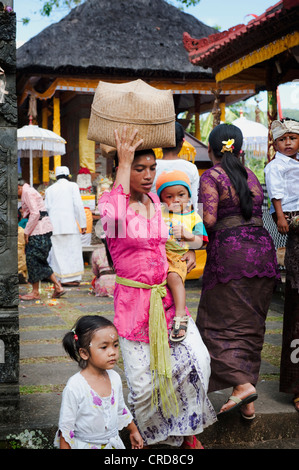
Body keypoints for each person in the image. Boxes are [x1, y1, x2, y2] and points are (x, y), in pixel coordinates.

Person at [99, 127, 216, 449]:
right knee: (142, 385)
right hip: (133, 304)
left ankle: (184, 431)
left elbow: (168, 238)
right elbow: (117, 220)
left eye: (152, 167)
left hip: (167, 301)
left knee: (197, 363)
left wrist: (188, 247)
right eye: (140, 168)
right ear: (123, 170)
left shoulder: (154, 200)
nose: (149, 175)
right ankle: (150, 440)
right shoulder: (110, 204)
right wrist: (124, 161)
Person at [196, 124, 280, 420]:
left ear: (211, 149)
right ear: (239, 149)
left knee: (214, 325)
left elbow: (209, 219)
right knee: (250, 326)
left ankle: (242, 385)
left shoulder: (211, 176)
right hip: (262, 255)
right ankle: (247, 399)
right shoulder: (250, 175)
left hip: (230, 257)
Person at [54, 315, 143, 449]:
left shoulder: (115, 378)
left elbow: (120, 409)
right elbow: (66, 429)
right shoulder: (75, 386)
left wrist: (133, 430)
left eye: (115, 345)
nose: (112, 352)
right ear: (84, 353)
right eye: (104, 347)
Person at [264, 118, 299, 411]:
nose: (288, 143)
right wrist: (280, 216)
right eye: (283, 139)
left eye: (293, 138)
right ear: (275, 144)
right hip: (289, 216)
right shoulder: (275, 166)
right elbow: (276, 193)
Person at [156, 170, 208, 341]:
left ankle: (180, 315)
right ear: (161, 199)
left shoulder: (193, 217)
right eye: (169, 196)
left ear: (188, 196)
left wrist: (188, 236)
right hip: (159, 255)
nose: (176, 200)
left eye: (181, 195)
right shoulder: (158, 214)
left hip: (179, 255)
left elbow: (202, 242)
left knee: (173, 277)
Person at [17, 179, 65, 300]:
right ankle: (57, 287)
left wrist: (26, 231)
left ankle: (36, 292)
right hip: (42, 229)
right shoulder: (29, 191)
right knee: (38, 260)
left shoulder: (27, 192)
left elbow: (35, 213)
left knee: (33, 259)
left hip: (39, 230)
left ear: (18, 187)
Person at [45, 166, 87, 287]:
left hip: (55, 226)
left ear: (56, 176)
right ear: (68, 175)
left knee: (58, 253)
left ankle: (61, 278)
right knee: (73, 252)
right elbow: (78, 205)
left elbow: (46, 208)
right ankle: (74, 278)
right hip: (70, 225)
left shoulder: (50, 189)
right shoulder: (73, 186)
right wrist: (83, 224)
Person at [151, 122, 199, 211]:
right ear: (182, 143)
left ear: (161, 143)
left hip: (155, 218)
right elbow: (194, 203)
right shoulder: (191, 168)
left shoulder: (151, 167)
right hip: (184, 221)